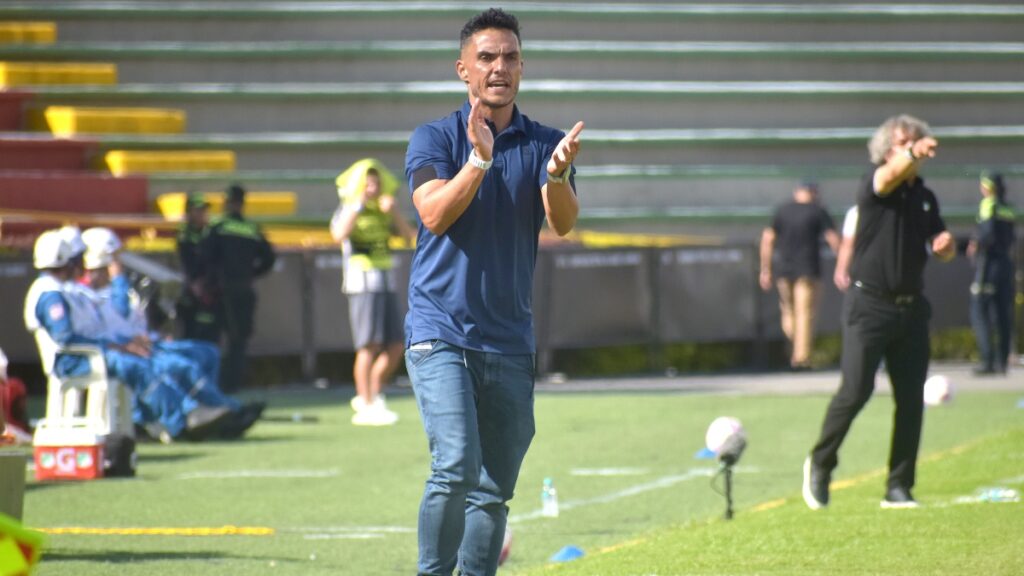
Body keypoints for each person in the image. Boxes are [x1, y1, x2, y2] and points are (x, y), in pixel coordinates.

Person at [403, 8, 583, 575]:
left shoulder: (546, 143)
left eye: (509, 57)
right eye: (486, 57)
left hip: (509, 339)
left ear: (522, 67)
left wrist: (555, 178)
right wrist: (478, 159)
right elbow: (432, 214)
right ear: (463, 69)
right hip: (440, 332)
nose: (498, 67)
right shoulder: (433, 136)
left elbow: (564, 224)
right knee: (455, 466)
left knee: (493, 488)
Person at [803, 114, 956, 511]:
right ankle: (820, 462)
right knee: (856, 390)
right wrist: (910, 152)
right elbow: (890, 176)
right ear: (886, 151)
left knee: (909, 400)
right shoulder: (875, 185)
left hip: (910, 309)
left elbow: (940, 243)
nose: (912, 149)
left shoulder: (925, 196)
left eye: (915, 141)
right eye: (903, 143)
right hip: (869, 305)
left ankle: (898, 486)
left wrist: (945, 246)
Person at [24, 230, 232, 442]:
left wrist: (120, 344)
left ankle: (185, 416)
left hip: (93, 353)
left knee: (149, 362)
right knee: (136, 366)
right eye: (76, 259)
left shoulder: (64, 289)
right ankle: (179, 423)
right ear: (64, 261)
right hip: (73, 360)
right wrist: (116, 346)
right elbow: (65, 338)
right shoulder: (50, 294)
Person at [80, 228, 262, 439]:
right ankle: (189, 416)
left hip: (133, 344)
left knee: (206, 352)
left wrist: (148, 336)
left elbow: (127, 323)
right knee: (178, 366)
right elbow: (116, 318)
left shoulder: (106, 289)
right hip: (116, 350)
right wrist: (119, 280)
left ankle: (219, 409)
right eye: (113, 258)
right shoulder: (89, 293)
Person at [330, 160, 416, 426]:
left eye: (376, 183)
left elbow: (407, 237)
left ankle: (374, 392)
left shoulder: (383, 210)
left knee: (395, 344)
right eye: (367, 183)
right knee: (368, 345)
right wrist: (357, 206)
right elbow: (338, 234)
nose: (373, 188)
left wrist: (395, 213)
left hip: (385, 280)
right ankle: (364, 401)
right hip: (361, 281)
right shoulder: (349, 208)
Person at [201, 184, 276, 392]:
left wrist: (210, 280)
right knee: (239, 341)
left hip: (219, 291)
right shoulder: (252, 229)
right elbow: (269, 259)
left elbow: (205, 256)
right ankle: (232, 385)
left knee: (214, 338)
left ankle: (214, 385)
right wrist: (251, 273)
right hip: (243, 289)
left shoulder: (217, 227)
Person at [759, 181, 840, 370]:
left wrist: (766, 268)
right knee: (805, 314)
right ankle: (801, 358)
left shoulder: (783, 210)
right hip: (808, 269)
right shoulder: (818, 211)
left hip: (784, 270)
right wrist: (844, 263)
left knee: (788, 312)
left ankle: (796, 349)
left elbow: (768, 239)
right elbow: (833, 238)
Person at [966, 172, 1016, 375]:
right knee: (1003, 313)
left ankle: (987, 361)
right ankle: (1002, 361)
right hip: (1005, 264)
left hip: (988, 265)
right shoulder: (1008, 208)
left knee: (979, 311)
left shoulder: (989, 204)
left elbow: (986, 234)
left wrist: (974, 244)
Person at [175, 192, 220, 342]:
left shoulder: (211, 232)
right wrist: (195, 283)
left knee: (210, 332)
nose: (202, 214)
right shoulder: (184, 233)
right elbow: (188, 261)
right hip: (190, 290)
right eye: (198, 210)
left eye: (204, 210)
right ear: (189, 212)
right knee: (190, 330)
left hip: (210, 289)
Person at [833, 205, 858, 292]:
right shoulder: (856, 212)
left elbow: (848, 244)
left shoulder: (858, 211)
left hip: (867, 276)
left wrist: (842, 268)